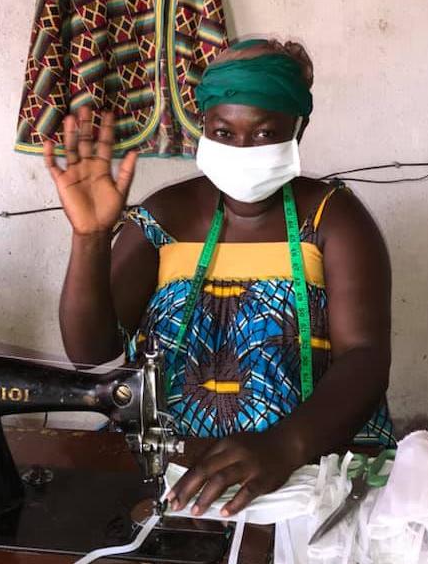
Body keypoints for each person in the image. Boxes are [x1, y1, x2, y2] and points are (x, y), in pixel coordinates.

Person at [44, 38, 396, 518]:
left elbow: (366, 357)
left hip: (304, 461)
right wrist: (90, 237)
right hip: (173, 466)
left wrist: (285, 445)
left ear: (300, 127)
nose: (243, 148)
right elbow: (89, 350)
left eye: (265, 133)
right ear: (204, 127)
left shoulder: (334, 218)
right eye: (224, 132)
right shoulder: (163, 217)